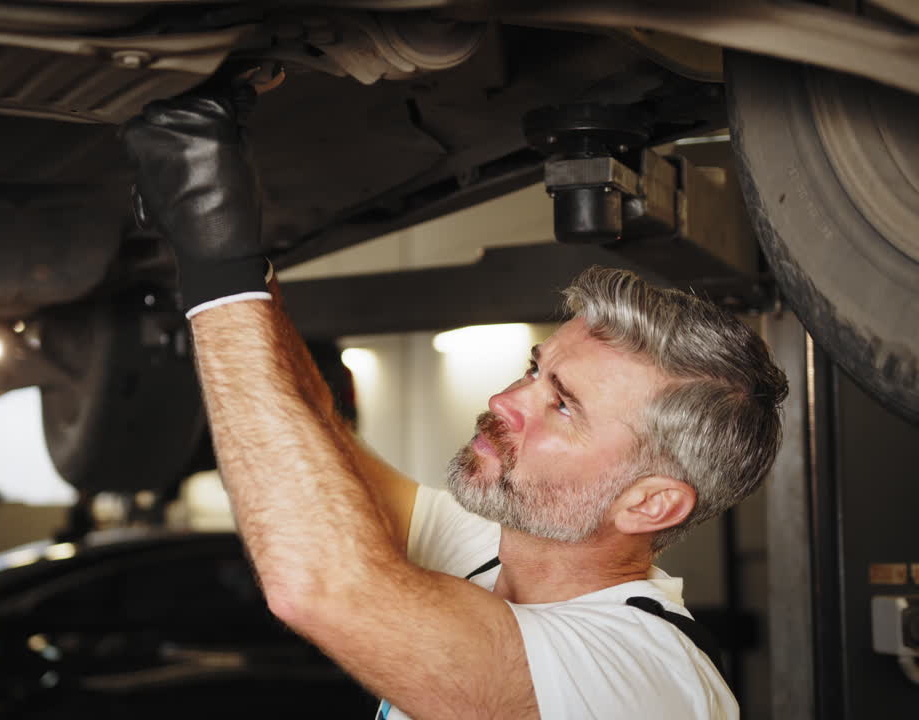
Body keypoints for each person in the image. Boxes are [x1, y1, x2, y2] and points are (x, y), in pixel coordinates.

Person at [121, 80, 788, 719]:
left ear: (649, 502)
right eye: (534, 369)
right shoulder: (490, 549)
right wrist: (235, 252)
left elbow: (320, 588)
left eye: (563, 406)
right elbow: (317, 442)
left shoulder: (646, 679)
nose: (504, 399)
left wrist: (217, 268)